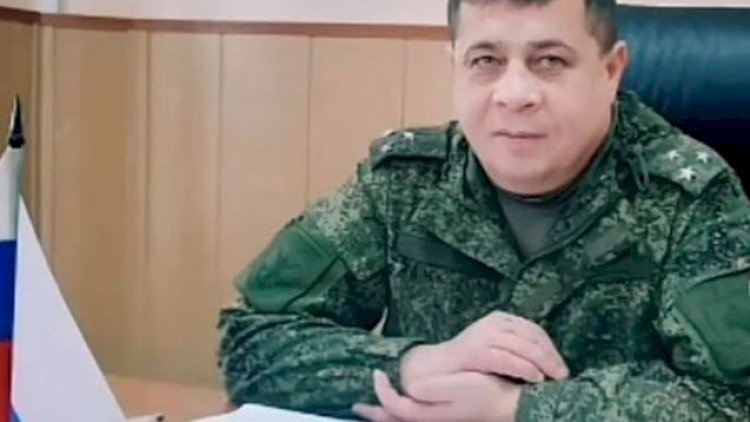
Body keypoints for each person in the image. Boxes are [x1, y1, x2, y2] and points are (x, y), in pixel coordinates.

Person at [218, 0, 750, 420]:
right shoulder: (405, 181)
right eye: (486, 61)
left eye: (550, 61)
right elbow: (250, 339)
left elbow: (734, 399)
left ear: (612, 70)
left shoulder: (692, 196)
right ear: (455, 67)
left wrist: (515, 409)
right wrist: (412, 365)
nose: (514, 94)